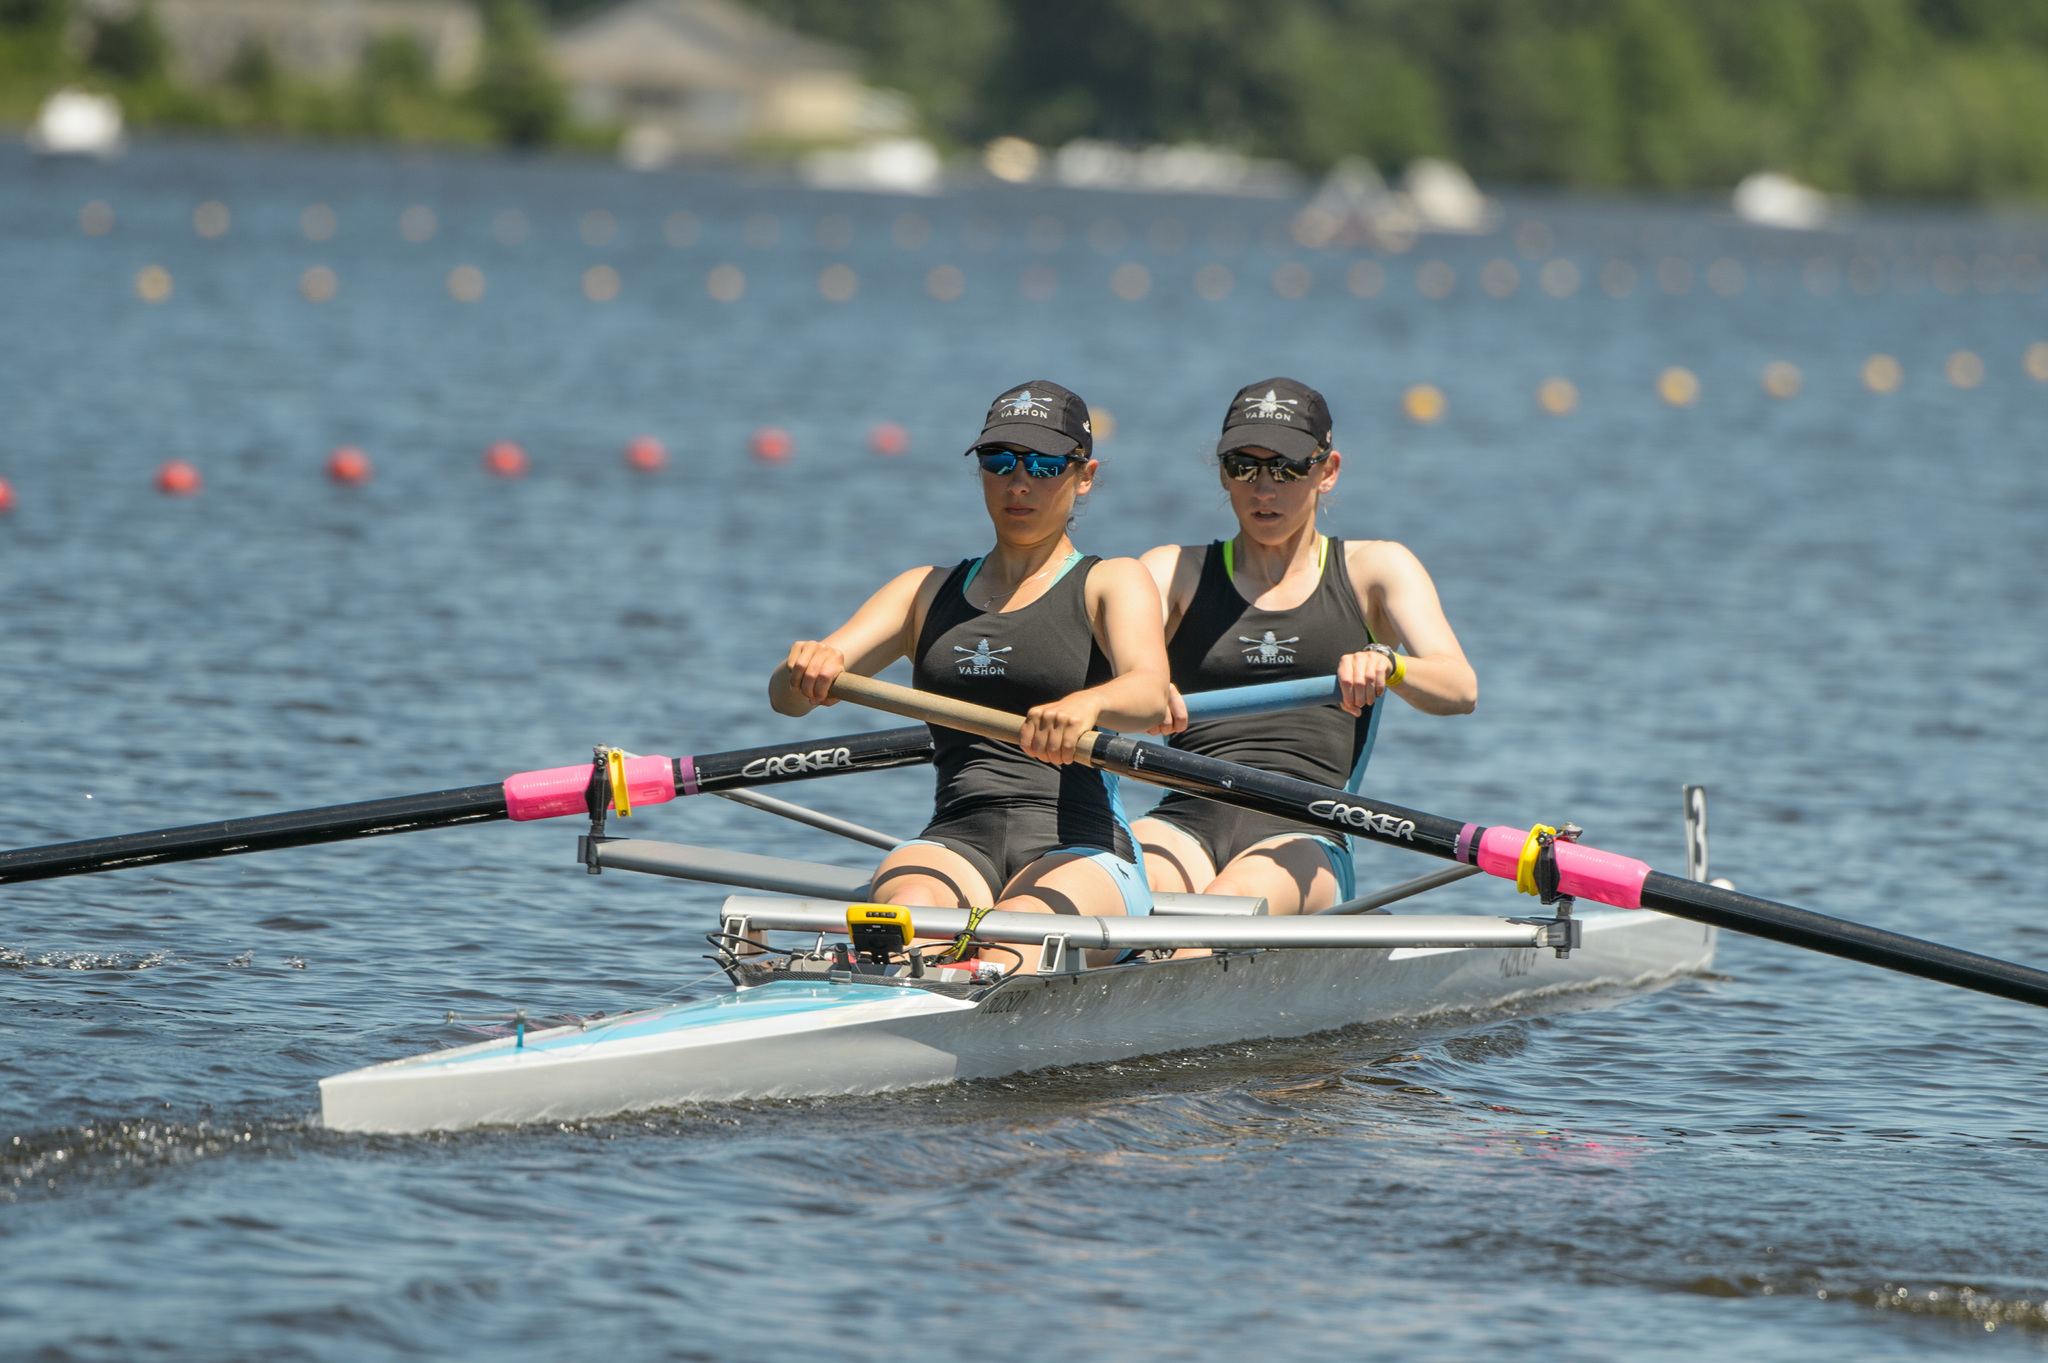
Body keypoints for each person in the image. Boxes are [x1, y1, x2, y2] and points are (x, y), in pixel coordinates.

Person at [772, 380, 1170, 970]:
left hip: (1082, 846)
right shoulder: (923, 592)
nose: (1019, 483)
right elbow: (787, 702)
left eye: (1043, 465)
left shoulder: (1112, 581)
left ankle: (980, 981)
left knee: (1018, 941)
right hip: (957, 838)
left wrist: (1086, 707)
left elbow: (1150, 695)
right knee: (900, 919)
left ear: (1083, 475)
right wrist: (804, 667)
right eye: (1000, 461)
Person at [1132, 377, 1477, 916]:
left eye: (1287, 467)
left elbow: (1460, 688)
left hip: (1308, 833)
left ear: (1328, 471)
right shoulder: (1170, 570)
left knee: (1228, 906)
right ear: (1223, 473)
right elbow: (1095, 676)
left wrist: (1391, 665)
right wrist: (1136, 688)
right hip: (1182, 821)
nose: (1263, 488)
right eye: (1242, 465)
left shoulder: (1376, 569)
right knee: (1127, 891)